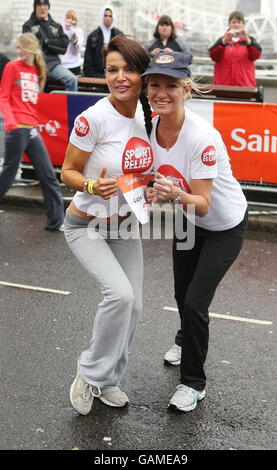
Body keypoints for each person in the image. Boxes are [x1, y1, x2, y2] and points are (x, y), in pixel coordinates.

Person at [143, 51, 248, 412]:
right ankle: (184, 336)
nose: (161, 92)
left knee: (195, 302)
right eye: (154, 84)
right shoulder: (150, 128)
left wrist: (172, 194)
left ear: (186, 89)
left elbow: (202, 203)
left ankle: (193, 383)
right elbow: (150, 181)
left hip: (223, 225)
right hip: (189, 221)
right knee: (180, 293)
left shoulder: (202, 136)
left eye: (170, 85)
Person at [61, 35, 153, 415]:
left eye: (129, 69)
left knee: (134, 307)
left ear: (142, 74)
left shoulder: (148, 114)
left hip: (126, 225)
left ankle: (107, 380)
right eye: (112, 70)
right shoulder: (93, 118)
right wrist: (89, 185)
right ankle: (88, 374)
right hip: (86, 225)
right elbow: (67, 170)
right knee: (120, 295)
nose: (120, 77)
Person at [0, 33, 64, 231]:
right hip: (16, 129)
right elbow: (3, 98)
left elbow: (30, 103)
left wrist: (33, 125)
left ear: (31, 49)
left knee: (47, 174)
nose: (19, 51)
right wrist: (11, 123)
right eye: (17, 47)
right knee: (9, 175)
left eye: (22, 47)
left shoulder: (37, 70)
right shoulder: (11, 67)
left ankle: (56, 221)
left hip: (31, 130)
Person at [22, 0, 78, 92]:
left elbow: (64, 46)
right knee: (38, 88)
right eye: (39, 5)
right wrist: (53, 44)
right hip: (36, 64)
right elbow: (30, 46)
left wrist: (47, 42)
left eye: (45, 4)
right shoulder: (28, 26)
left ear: (48, 7)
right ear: (35, 7)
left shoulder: (56, 26)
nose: (42, 7)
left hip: (54, 64)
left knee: (72, 79)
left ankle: (71, 105)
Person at [208, 10, 262, 87]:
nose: (236, 25)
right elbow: (213, 55)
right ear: (229, 24)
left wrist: (248, 42)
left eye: (239, 22)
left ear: (243, 25)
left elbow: (256, 55)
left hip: (244, 86)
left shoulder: (249, 41)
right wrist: (224, 41)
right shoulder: (222, 41)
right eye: (233, 22)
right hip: (223, 86)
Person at [83, 5, 123, 78]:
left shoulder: (119, 36)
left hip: (116, 76)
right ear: (101, 17)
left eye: (110, 16)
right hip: (96, 76)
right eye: (105, 15)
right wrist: (95, 76)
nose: (108, 18)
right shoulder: (93, 36)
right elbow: (88, 62)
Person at [60, 9, 84, 76]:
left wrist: (72, 33)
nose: (71, 21)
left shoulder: (79, 31)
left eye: (73, 19)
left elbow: (76, 51)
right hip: (62, 66)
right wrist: (66, 30)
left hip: (74, 65)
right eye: (68, 18)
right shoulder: (60, 31)